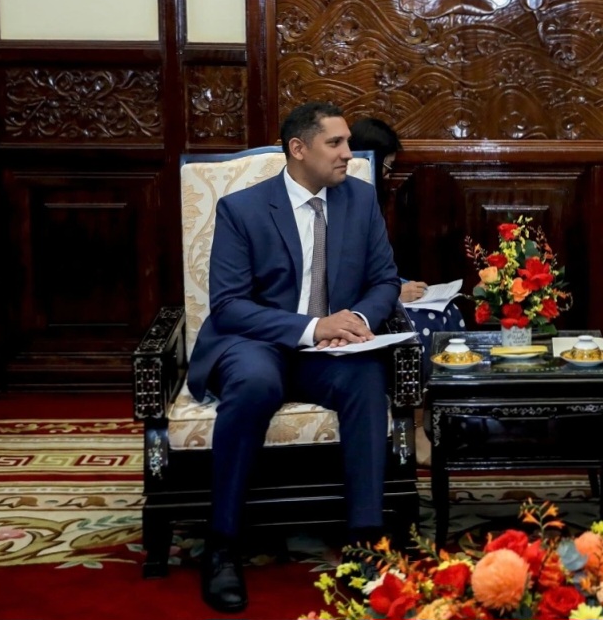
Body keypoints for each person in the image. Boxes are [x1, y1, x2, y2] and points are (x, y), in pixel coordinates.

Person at [188, 102, 401, 613]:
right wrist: (311, 327)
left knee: (366, 377)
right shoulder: (242, 209)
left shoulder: (360, 199)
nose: (349, 153)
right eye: (336, 143)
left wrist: (357, 321)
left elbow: (385, 281)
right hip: (256, 343)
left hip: (329, 351)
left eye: (348, 142)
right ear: (299, 149)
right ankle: (223, 544)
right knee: (255, 383)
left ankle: (365, 542)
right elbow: (230, 306)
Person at [348, 117, 467, 365]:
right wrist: (394, 294)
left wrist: (401, 286)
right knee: (428, 322)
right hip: (356, 306)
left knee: (448, 310)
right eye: (386, 167)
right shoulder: (339, 207)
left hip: (378, 292)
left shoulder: (367, 202)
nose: (387, 176)